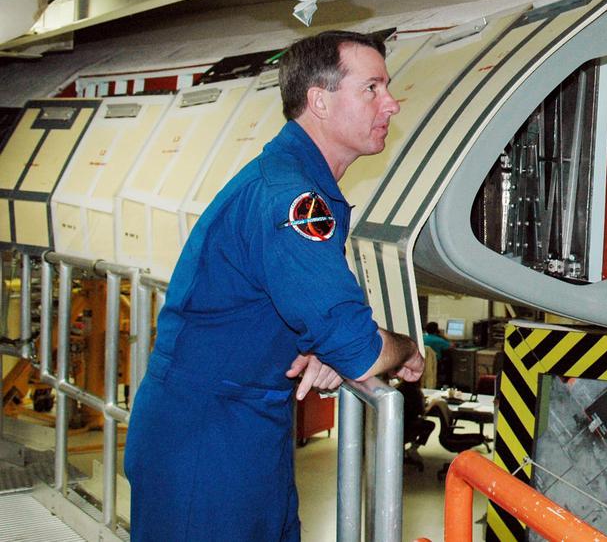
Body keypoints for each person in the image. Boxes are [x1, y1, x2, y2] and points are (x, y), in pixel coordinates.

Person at [124, 30, 424, 542]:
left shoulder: (293, 182)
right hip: (209, 443)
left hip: (245, 431)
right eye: (372, 88)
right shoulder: (291, 199)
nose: (391, 104)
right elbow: (360, 351)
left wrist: (321, 344)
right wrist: (406, 349)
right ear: (320, 101)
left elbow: (302, 312)